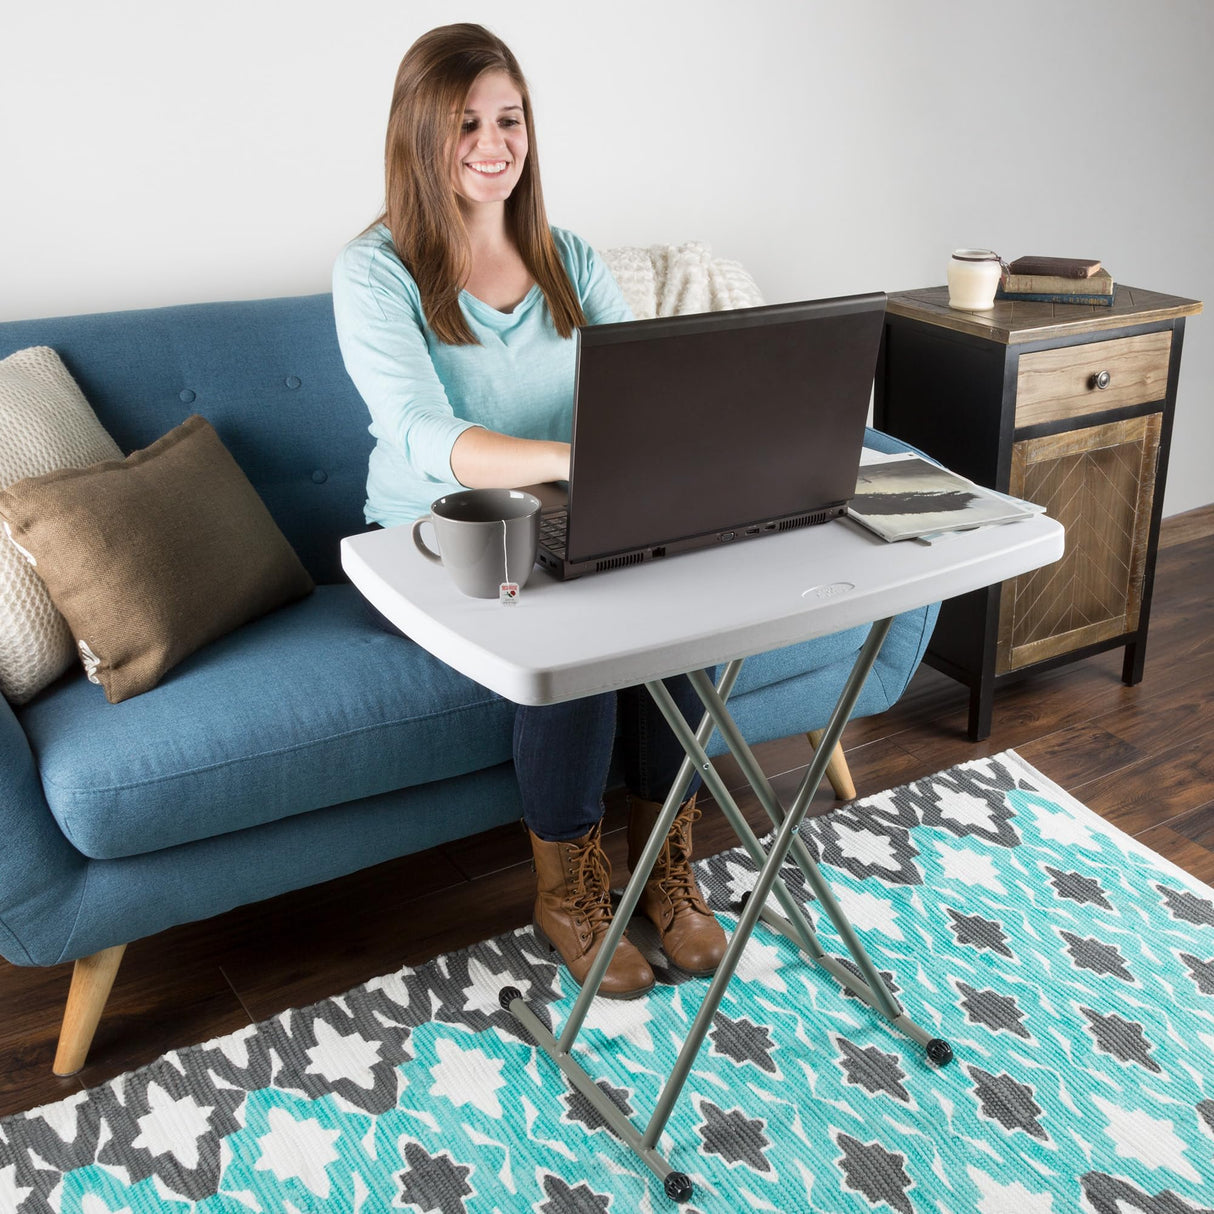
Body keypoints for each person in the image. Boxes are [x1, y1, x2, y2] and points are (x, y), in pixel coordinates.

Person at [332, 23, 727, 1000]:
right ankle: (571, 893)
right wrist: (568, 456)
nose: (491, 143)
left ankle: (661, 871)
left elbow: (638, 386)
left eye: (507, 119)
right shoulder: (375, 270)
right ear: (419, 133)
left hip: (569, 515)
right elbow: (420, 430)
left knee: (688, 611)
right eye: (465, 122)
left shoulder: (569, 257)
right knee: (574, 629)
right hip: (436, 537)